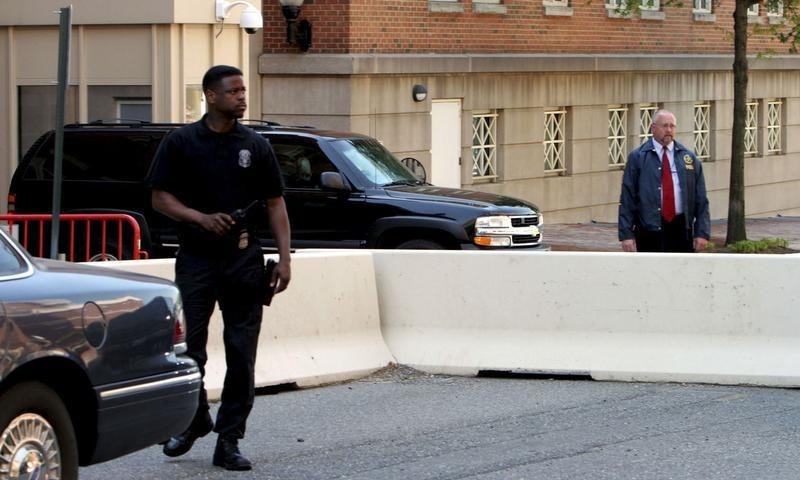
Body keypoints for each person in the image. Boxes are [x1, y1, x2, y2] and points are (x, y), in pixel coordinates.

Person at [149, 65, 291, 471]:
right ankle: (194, 420)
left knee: (241, 353)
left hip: (244, 260)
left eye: (244, 90)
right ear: (211, 96)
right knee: (189, 352)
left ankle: (229, 440)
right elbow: (160, 199)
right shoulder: (181, 142)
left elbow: (275, 204)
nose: (242, 97)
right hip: (196, 260)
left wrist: (284, 258)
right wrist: (199, 218)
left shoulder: (256, 145)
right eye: (233, 91)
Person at [618, 109, 710, 253]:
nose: (669, 130)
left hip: (681, 228)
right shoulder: (638, 157)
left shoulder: (688, 158)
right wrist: (626, 234)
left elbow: (701, 199)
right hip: (649, 229)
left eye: (672, 126)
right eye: (664, 126)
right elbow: (628, 198)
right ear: (653, 128)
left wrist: (702, 233)